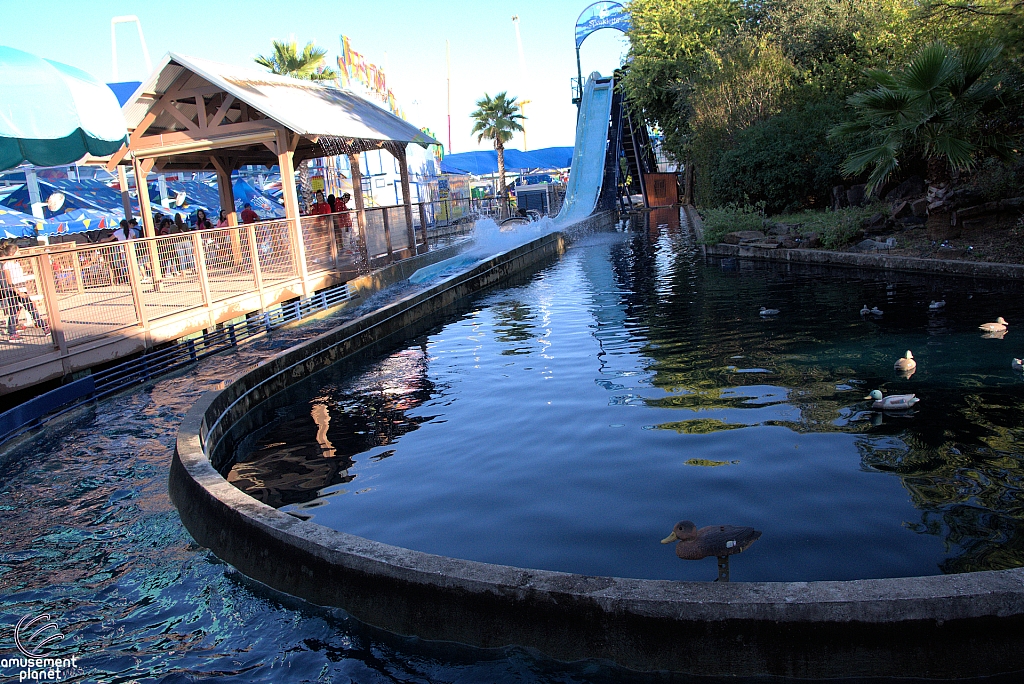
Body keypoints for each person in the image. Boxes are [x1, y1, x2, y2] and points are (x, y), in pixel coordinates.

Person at [1, 243, 49, 340]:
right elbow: (9, 281)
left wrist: (25, 290)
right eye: (18, 251)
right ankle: (12, 333)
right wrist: (18, 292)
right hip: (13, 291)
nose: (19, 253)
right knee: (14, 312)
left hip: (22, 289)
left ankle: (44, 327)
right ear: (12, 254)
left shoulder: (17, 263)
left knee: (31, 308)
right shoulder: (7, 265)